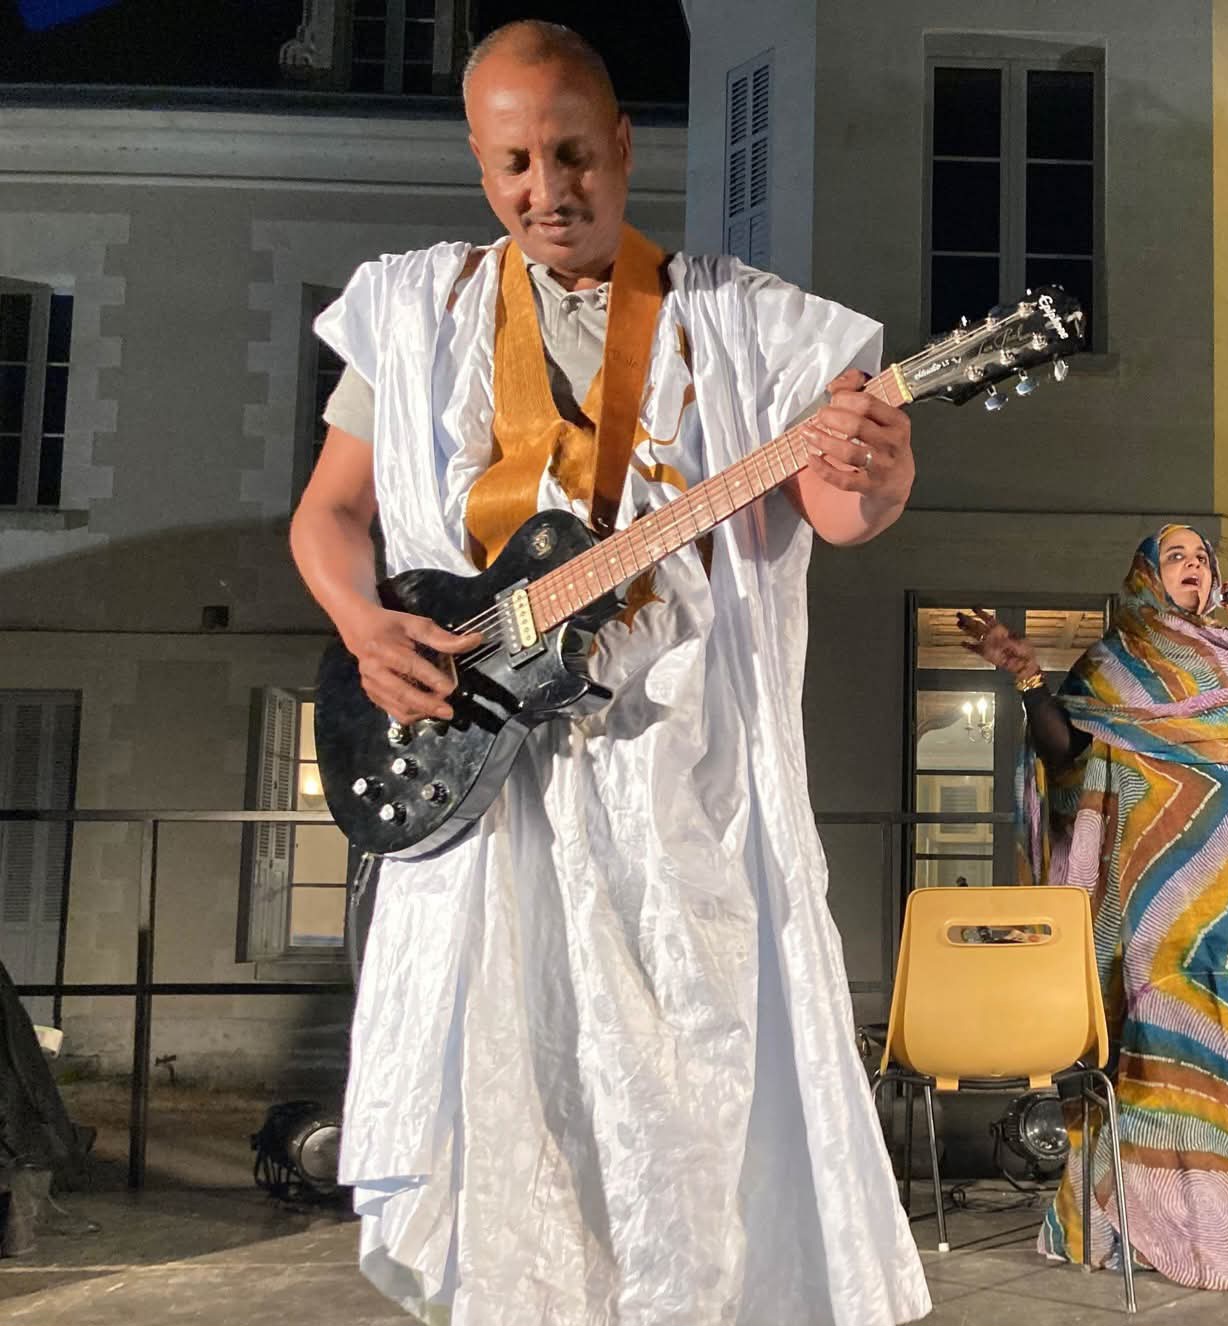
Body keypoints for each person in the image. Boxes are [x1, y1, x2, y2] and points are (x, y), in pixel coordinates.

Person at [288, 22, 930, 1325]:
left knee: (690, 1117)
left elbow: (838, 507)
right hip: (480, 787)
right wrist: (362, 626)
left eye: (573, 152)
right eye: (514, 162)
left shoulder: (744, 324)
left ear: (624, 144)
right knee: (506, 1106)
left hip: (675, 798)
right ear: (480, 165)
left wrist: (882, 470)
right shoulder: (416, 315)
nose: (547, 188)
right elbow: (330, 516)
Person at [958, 525, 1228, 1290]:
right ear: (1147, 577)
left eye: (1201, 558)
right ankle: (1136, 1221)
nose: (1193, 566)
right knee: (1155, 1060)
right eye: (1176, 557)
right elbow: (1064, 758)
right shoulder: (1113, 664)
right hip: (1149, 902)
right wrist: (1026, 678)